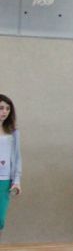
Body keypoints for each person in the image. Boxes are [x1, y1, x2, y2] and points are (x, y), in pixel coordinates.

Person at [0, 95, 22, 241]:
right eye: (1, 108)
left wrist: (17, 180)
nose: (4, 112)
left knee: (0, 219)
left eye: (7, 108)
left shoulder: (13, 132)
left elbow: (17, 157)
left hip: (4, 181)